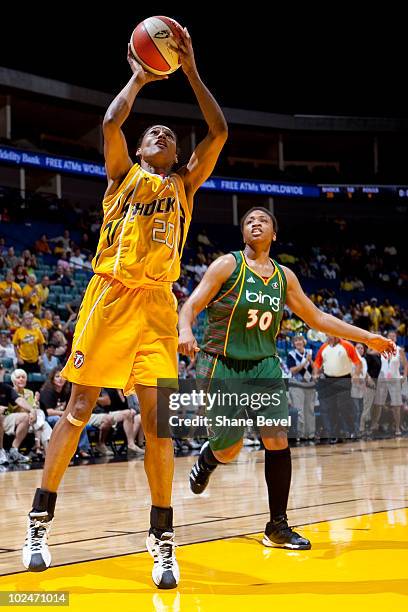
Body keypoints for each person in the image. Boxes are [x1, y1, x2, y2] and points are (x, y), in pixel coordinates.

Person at [22, 24, 227, 590]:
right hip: (110, 297)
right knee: (80, 407)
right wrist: (139, 78)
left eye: (168, 133)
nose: (159, 131)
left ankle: (162, 538)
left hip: (158, 309)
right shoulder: (121, 176)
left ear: (178, 155)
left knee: (159, 428)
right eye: (151, 132)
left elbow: (220, 130)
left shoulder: (184, 185)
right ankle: (39, 520)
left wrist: (189, 70)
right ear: (138, 149)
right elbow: (112, 121)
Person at [178, 207, 395, 551]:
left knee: (277, 438)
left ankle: (277, 526)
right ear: (243, 233)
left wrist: (366, 337)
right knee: (229, 448)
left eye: (263, 220)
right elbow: (190, 305)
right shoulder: (227, 265)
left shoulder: (284, 277)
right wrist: (186, 328)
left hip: (263, 364)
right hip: (221, 363)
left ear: (274, 234)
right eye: (249, 220)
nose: (255, 223)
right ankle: (209, 457)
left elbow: (319, 318)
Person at [313, 335, 362, 442]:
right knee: (330, 408)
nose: (331, 336)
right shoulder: (323, 347)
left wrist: (356, 375)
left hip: (344, 379)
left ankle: (351, 431)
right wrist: (315, 373)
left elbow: (358, 363)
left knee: (344, 407)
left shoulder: (347, 345)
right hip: (328, 379)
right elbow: (317, 362)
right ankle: (333, 434)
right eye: (328, 334)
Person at [0, 362, 32, 464]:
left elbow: (19, 400)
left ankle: (13, 451)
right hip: (1, 415)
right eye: (18, 377)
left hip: (4, 417)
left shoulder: (6, 388)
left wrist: (32, 410)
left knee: (25, 417)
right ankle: (1, 452)